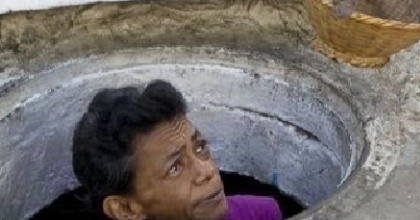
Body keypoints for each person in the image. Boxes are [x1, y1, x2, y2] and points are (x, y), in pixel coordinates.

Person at [72, 79, 283, 220]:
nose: (207, 171)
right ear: (125, 209)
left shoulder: (261, 213)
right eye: (175, 167)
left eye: (200, 147)